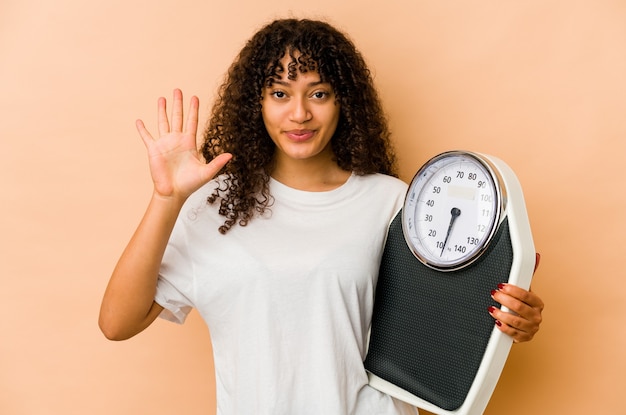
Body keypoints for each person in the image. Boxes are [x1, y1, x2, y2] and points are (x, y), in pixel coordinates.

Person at [99, 18, 544, 415]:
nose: (299, 113)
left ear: (342, 101)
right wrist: (166, 199)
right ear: (257, 103)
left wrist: (506, 321)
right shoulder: (212, 205)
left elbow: (438, 324)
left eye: (318, 93)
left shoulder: (392, 203)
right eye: (279, 93)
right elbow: (117, 323)